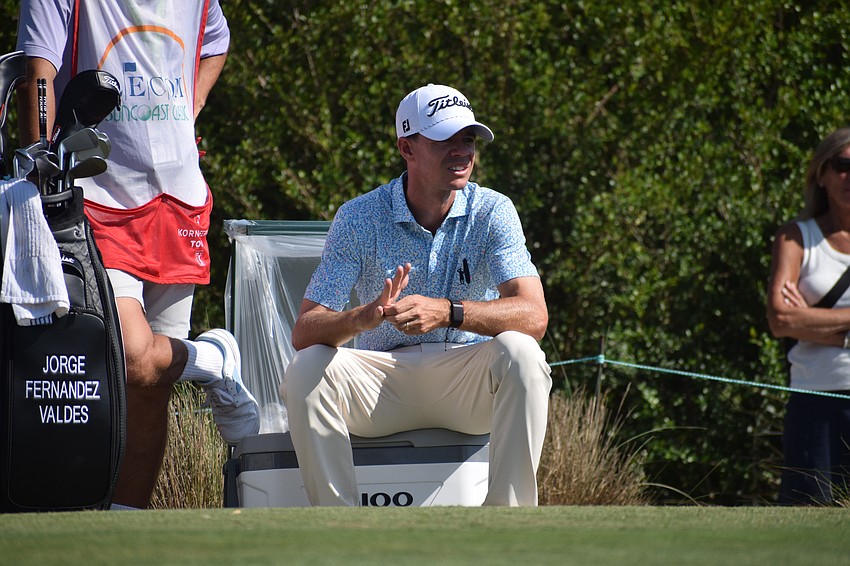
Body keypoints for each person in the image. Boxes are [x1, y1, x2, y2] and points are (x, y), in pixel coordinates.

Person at [16, 0, 259, 509]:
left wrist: (189, 109)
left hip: (179, 197)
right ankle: (211, 359)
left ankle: (129, 522)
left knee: (151, 388)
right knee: (129, 358)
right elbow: (37, 74)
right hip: (98, 193)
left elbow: (215, 44)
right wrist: (39, 164)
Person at [280, 83, 552, 507]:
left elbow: (534, 315)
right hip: (383, 385)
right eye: (446, 138)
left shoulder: (494, 209)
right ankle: (336, 526)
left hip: (467, 387)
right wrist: (361, 318)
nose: (462, 151)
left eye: (469, 138)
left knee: (522, 353)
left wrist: (449, 312)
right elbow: (304, 329)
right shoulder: (358, 216)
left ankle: (507, 524)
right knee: (306, 366)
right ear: (406, 148)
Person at [767, 126, 850, 505]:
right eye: (842, 165)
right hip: (815, 401)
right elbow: (781, 320)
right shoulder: (797, 238)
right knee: (808, 512)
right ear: (822, 173)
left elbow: (797, 319)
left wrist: (812, 320)